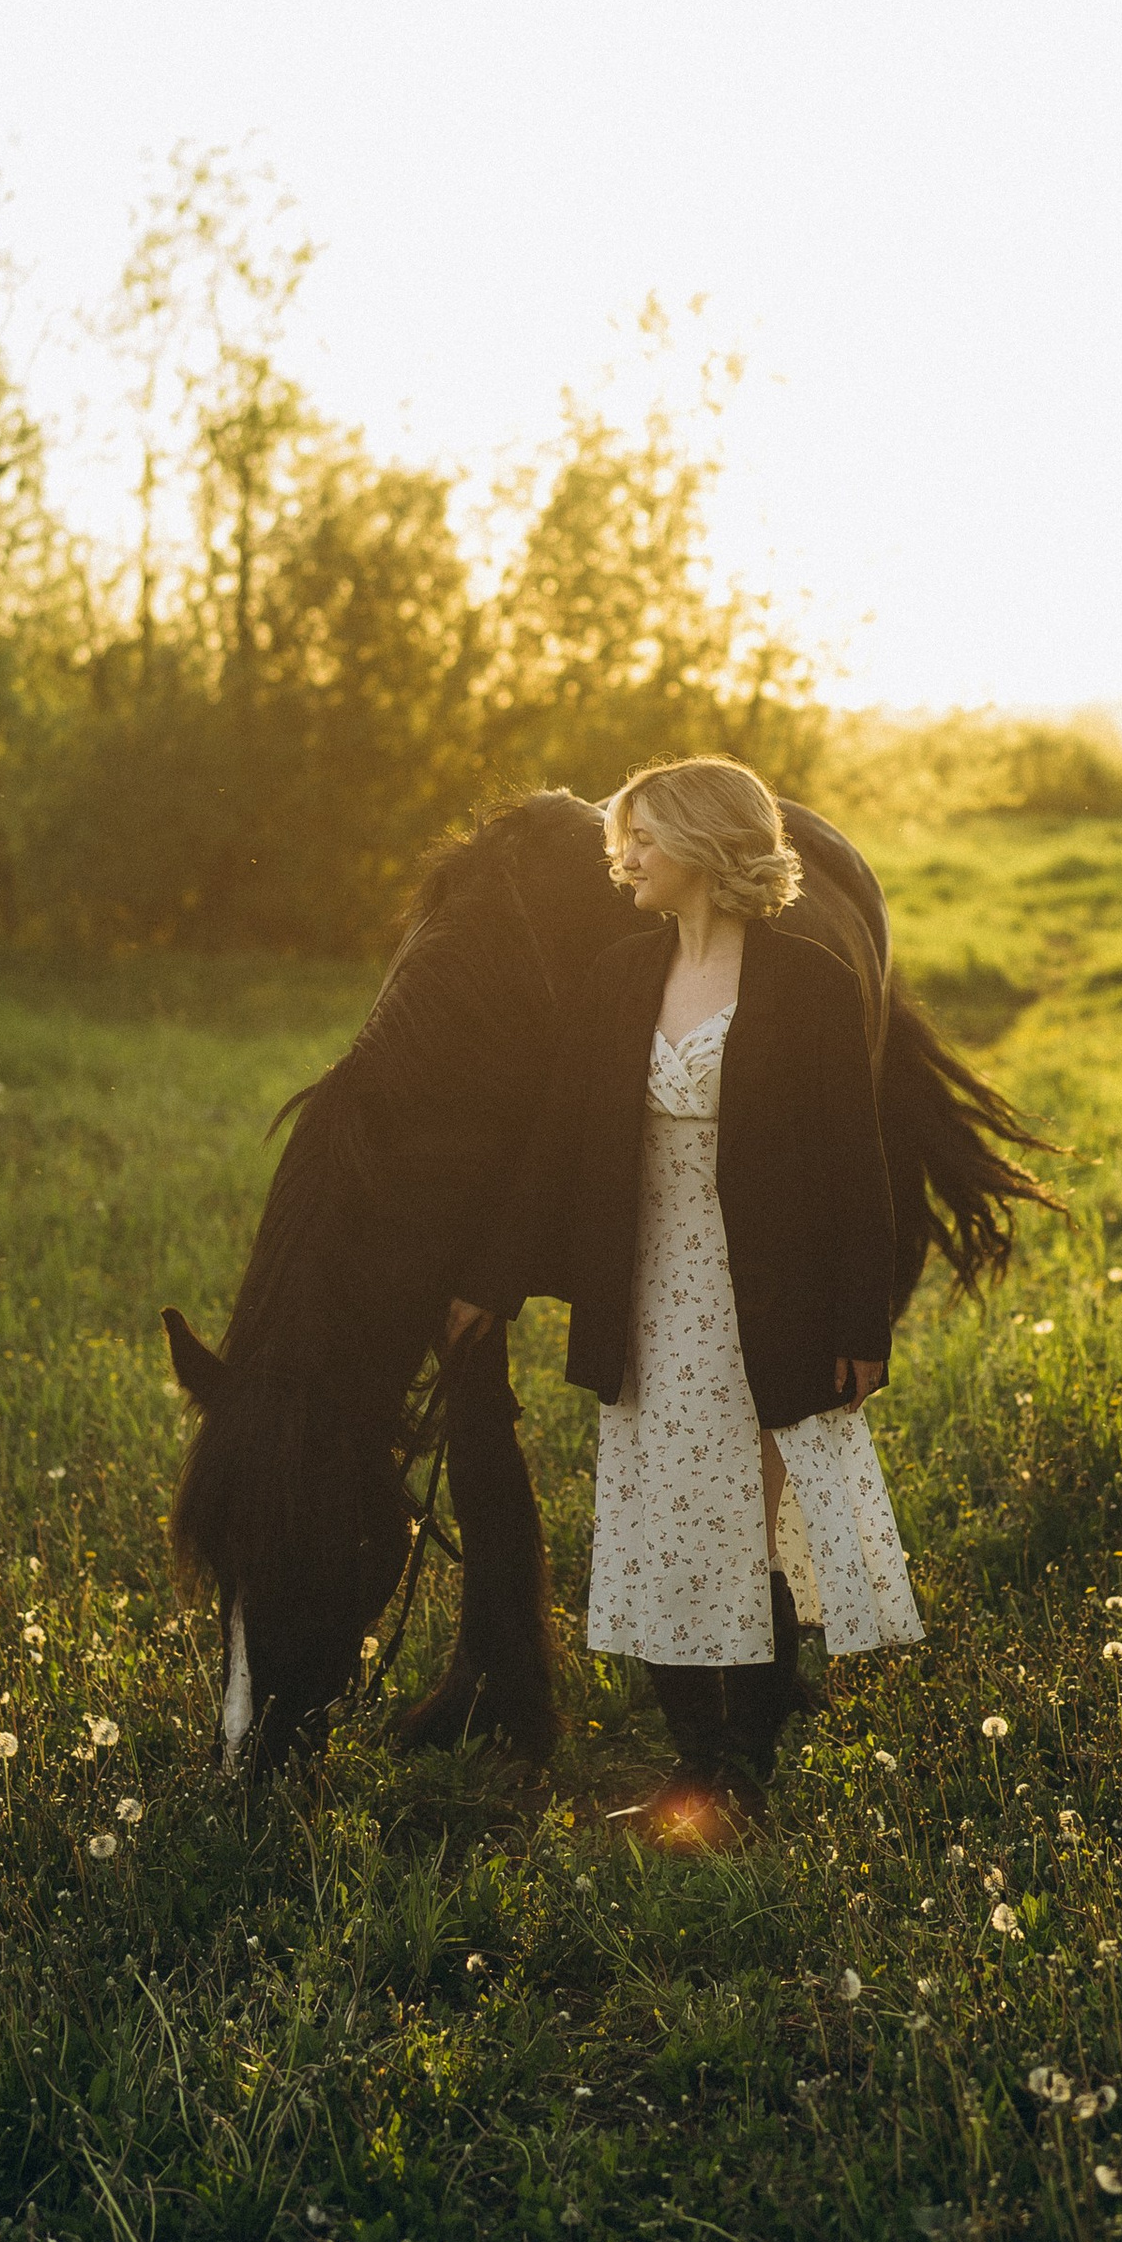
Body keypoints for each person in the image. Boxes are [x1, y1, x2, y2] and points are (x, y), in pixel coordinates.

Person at [452, 754, 921, 1837]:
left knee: (745, 1524)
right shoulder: (618, 976)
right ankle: (692, 1770)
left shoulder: (809, 983)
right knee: (661, 1522)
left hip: (770, 1294)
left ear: (708, 847)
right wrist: (491, 1279)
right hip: (648, 1290)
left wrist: (860, 1325)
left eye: (644, 839)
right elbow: (557, 1145)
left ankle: (741, 1777)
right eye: (623, 837)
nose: (623, 858)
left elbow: (858, 1169)